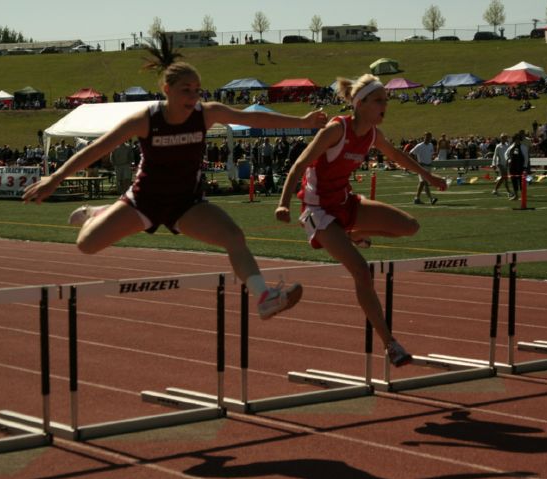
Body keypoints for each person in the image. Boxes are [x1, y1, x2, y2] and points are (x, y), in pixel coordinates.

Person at [23, 34, 327, 320]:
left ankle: (265, 298)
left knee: (234, 236)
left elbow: (252, 117)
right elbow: (97, 148)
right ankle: (96, 213)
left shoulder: (206, 114)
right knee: (86, 245)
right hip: (144, 201)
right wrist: (56, 177)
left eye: (197, 90)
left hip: (187, 204)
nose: (193, 97)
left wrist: (301, 121)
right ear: (167, 90)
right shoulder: (146, 120)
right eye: (186, 90)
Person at [274, 74, 447, 367]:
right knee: (362, 272)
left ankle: (352, 234)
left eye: (386, 101)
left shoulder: (372, 135)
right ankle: (391, 344)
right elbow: (299, 164)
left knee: (409, 226)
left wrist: (428, 176)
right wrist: (283, 204)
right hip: (318, 211)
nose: (385, 106)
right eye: (379, 100)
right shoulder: (335, 130)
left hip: (345, 203)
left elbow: (396, 156)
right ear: (361, 103)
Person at [409, 132, 438, 205]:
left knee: (422, 183)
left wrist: (433, 157)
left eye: (429, 137)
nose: (428, 139)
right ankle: (431, 198)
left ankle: (416, 198)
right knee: (425, 182)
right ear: (424, 137)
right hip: (421, 167)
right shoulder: (419, 146)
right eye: (427, 137)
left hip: (428, 166)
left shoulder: (430, 145)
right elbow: (411, 153)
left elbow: (430, 154)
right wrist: (417, 163)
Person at [505, 133, 528, 200]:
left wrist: (525, 167)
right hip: (512, 166)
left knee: (521, 182)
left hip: (521, 166)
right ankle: (516, 195)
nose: (517, 141)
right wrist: (508, 159)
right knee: (513, 181)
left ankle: (523, 196)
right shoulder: (511, 147)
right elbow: (506, 154)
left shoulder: (523, 147)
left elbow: (526, 158)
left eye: (518, 139)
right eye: (516, 139)